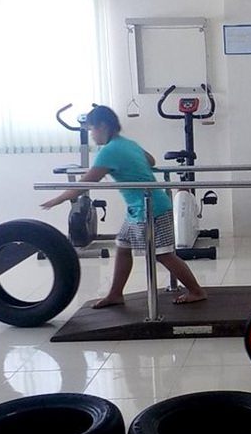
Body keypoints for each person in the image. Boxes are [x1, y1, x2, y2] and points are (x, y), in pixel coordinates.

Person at [41, 105, 207, 308]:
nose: (92, 135)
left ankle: (196, 291)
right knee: (122, 246)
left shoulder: (109, 151)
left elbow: (85, 183)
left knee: (163, 254)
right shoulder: (128, 144)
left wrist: (58, 199)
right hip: (138, 209)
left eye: (92, 129)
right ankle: (115, 294)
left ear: (103, 126)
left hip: (150, 208)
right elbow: (151, 160)